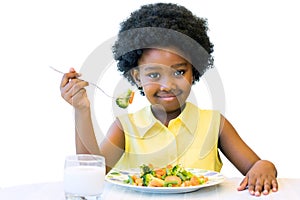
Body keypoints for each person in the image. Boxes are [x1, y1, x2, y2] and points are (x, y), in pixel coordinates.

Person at [60, 3, 278, 196]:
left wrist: (265, 167)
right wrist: (81, 109)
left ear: (194, 72)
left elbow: (256, 166)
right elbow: (91, 172)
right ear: (137, 77)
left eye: (179, 72)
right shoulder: (125, 128)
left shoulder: (214, 124)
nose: (168, 85)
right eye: (154, 75)